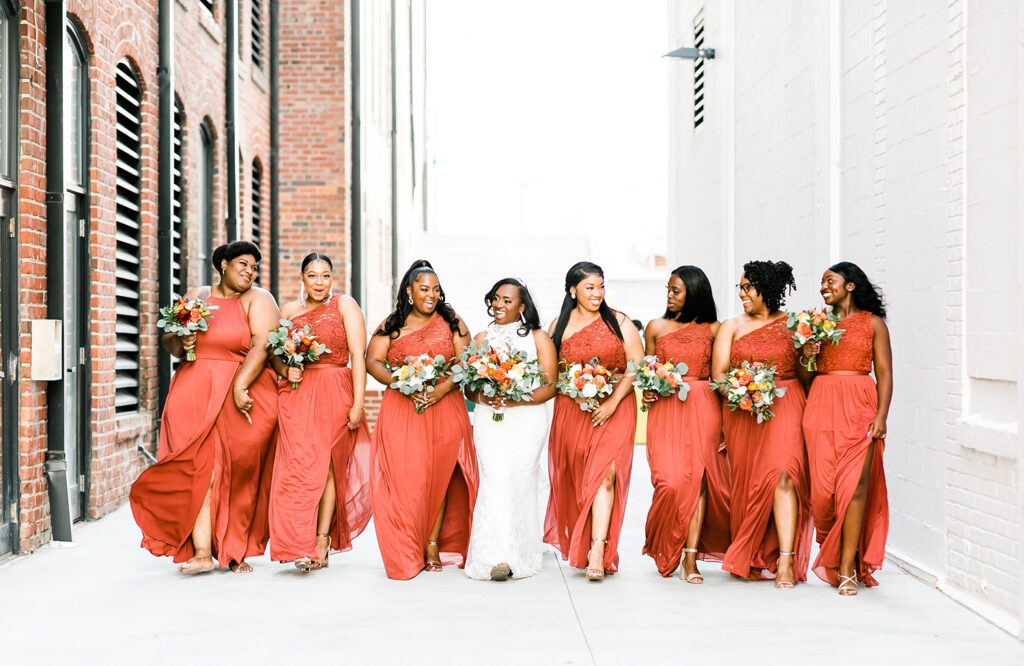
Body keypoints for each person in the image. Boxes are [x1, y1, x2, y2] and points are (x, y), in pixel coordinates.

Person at [130, 241, 279, 574]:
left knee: (239, 473)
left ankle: (233, 548)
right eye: (243, 264)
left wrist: (240, 385)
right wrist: (180, 341)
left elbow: (262, 346)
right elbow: (170, 342)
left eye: (254, 267)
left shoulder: (259, 299)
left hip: (241, 392)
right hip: (193, 391)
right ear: (223, 265)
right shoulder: (198, 295)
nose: (250, 272)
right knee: (198, 470)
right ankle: (200, 551)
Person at [365, 260, 478, 579]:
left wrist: (441, 389)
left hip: (444, 406)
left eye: (436, 289)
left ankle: (431, 544)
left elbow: (465, 361)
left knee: (438, 476)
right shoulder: (392, 323)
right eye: (424, 289)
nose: (431, 295)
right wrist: (400, 382)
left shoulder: (452, 321)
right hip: (403, 409)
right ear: (409, 292)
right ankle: (405, 546)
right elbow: (373, 360)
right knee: (405, 477)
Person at [711, 260, 812, 589]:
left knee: (785, 475)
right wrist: (742, 390)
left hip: (787, 404)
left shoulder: (794, 324)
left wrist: (809, 355)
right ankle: (752, 552)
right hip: (744, 411)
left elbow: (804, 375)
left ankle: (786, 559)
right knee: (751, 484)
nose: (742, 294)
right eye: (739, 288)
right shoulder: (731, 326)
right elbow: (719, 374)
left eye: (747, 287)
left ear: (766, 289)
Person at [268, 253, 372, 571]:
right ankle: (296, 543)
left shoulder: (345, 306)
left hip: (334, 390)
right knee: (295, 467)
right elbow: (273, 353)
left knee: (326, 467)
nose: (319, 282)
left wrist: (357, 403)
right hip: (297, 395)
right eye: (312, 276)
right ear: (302, 278)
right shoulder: (287, 311)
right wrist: (286, 371)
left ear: (332, 278)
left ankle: (320, 541)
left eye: (325, 276)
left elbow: (358, 355)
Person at [545, 261, 643, 581]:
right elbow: (550, 374)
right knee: (579, 479)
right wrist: (574, 391)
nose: (597, 293)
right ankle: (584, 540)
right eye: (590, 287)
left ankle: (598, 548)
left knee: (606, 474)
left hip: (615, 407)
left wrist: (613, 401)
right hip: (573, 411)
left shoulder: (620, 322)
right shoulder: (557, 325)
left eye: (601, 286)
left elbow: (635, 367)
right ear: (573, 290)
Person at [802, 261, 892, 595]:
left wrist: (881, 415)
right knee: (823, 494)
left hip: (860, 407)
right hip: (821, 407)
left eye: (830, 281)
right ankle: (833, 546)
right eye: (821, 282)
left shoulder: (873, 324)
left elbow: (884, 373)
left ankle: (846, 569)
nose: (823, 287)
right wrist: (806, 355)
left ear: (850, 285)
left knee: (854, 488)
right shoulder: (814, 325)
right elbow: (805, 379)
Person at [463, 278, 557, 581]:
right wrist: (488, 396)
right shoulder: (480, 338)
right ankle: (495, 557)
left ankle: (521, 552)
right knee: (494, 480)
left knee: (519, 480)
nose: (498, 305)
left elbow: (550, 385)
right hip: (491, 418)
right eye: (496, 299)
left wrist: (517, 400)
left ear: (522, 306)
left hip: (528, 419)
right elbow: (469, 390)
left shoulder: (538, 338)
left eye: (506, 300)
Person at [641, 265, 730, 582]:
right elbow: (647, 374)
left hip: (704, 408)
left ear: (694, 292)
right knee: (669, 481)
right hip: (666, 410)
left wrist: (727, 427)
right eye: (668, 289)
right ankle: (664, 543)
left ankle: (690, 558)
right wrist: (648, 391)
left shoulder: (715, 329)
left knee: (699, 482)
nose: (669, 295)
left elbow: (721, 377)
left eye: (675, 290)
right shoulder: (655, 327)